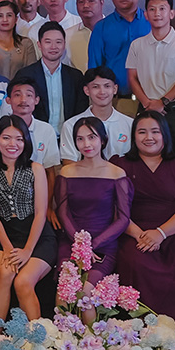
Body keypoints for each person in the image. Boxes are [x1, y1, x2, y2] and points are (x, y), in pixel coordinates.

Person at [114, 110, 175, 333]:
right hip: (134, 232)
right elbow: (114, 208)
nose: (149, 137)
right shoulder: (119, 165)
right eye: (142, 132)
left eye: (155, 131)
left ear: (165, 134)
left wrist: (160, 233)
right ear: (133, 136)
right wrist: (141, 235)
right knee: (135, 263)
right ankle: (138, 332)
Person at [0, 115, 56, 319]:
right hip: (4, 236)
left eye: (19, 139)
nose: (13, 144)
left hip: (38, 237)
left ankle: (38, 334)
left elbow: (41, 213)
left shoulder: (36, 169)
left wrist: (27, 251)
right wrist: (8, 247)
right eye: (6, 138)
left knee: (23, 281)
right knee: (4, 273)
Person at [54, 117, 133, 283]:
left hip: (104, 243)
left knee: (86, 291)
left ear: (103, 140)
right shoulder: (67, 172)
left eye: (92, 137)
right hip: (71, 241)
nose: (86, 144)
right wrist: (81, 245)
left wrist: (93, 245)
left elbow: (123, 218)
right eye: (80, 139)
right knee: (65, 289)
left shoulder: (116, 173)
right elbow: (63, 213)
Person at [125, 0, 175, 151]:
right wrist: (147, 103)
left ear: (171, 13)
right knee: (144, 153)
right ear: (146, 15)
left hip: (174, 110)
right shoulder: (137, 45)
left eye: (162, 9)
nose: (157, 13)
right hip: (146, 108)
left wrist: (162, 102)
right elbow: (132, 78)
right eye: (152, 9)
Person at [12, 22, 86, 140]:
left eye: (58, 42)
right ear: (39, 45)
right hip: (34, 137)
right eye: (48, 42)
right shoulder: (25, 75)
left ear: (64, 45)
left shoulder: (75, 76)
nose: (53, 47)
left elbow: (80, 111)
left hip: (68, 138)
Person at [86, 0, 148, 100]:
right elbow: (94, 67)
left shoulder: (151, 22)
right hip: (117, 98)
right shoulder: (102, 27)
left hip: (152, 97)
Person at [60, 67, 134, 160]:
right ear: (87, 90)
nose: (102, 92)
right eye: (95, 87)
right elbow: (69, 164)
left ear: (115, 89)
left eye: (107, 86)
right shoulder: (70, 125)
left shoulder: (130, 124)